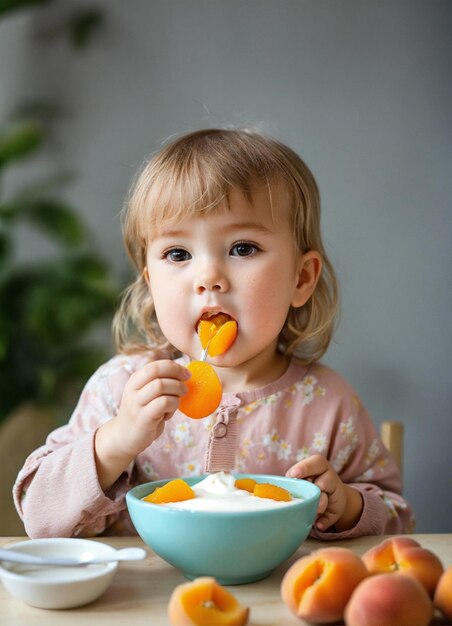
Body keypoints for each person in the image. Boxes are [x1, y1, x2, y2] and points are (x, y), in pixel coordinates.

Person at [14, 128, 414, 538]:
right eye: (178, 254)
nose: (208, 277)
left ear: (301, 278)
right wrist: (115, 442)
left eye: (242, 248)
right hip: (143, 600)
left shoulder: (329, 405)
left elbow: (397, 517)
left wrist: (345, 505)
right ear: (151, 282)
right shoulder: (121, 390)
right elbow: (39, 517)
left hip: (276, 600)